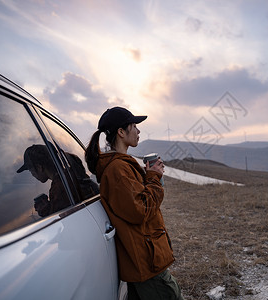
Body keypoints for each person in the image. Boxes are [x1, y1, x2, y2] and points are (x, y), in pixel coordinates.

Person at [85, 107, 183, 300]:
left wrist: (150, 177)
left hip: (145, 260)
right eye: (134, 127)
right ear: (121, 132)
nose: (138, 132)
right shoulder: (117, 170)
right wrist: (154, 178)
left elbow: (134, 203)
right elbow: (140, 210)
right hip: (147, 264)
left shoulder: (121, 165)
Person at [17, 144, 70, 217]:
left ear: (39, 167)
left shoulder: (59, 187)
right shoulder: (67, 176)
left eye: (31, 171)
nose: (32, 175)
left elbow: (59, 214)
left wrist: (44, 209)